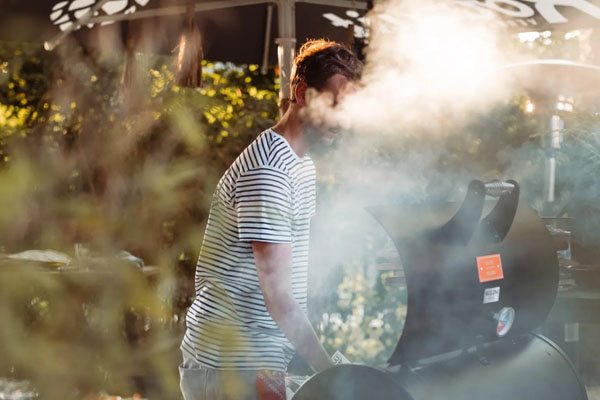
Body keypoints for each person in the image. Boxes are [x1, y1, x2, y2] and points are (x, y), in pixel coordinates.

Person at [179, 38, 362, 400]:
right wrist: (330, 374)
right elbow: (277, 296)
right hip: (228, 363)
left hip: (261, 358)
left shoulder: (301, 165)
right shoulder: (268, 171)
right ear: (301, 92)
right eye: (334, 104)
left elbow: (290, 274)